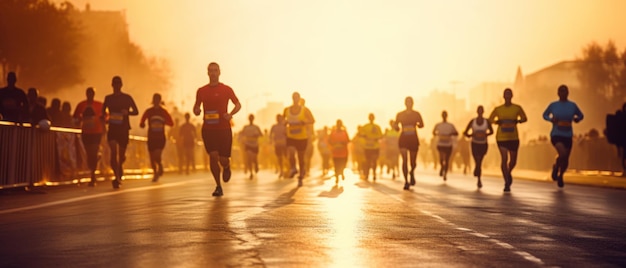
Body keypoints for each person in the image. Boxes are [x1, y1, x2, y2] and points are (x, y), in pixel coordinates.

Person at [193, 62, 242, 197]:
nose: (213, 73)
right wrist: (197, 110)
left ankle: (227, 166)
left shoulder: (226, 89)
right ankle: (218, 186)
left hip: (224, 129)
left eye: (215, 70)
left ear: (219, 72)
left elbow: (238, 104)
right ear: (207, 73)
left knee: (223, 159)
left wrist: (231, 114)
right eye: (210, 70)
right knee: (213, 156)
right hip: (208, 129)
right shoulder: (201, 91)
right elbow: (196, 108)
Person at [542, 85, 584, 188]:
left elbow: (581, 115)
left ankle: (560, 174)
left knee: (565, 159)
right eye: (561, 92)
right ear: (558, 93)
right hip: (556, 134)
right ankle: (556, 168)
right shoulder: (553, 105)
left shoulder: (572, 105)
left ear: (568, 93)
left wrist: (577, 119)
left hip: (568, 135)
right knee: (563, 154)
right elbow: (544, 115)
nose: (563, 94)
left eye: (565, 92)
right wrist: (551, 119)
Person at [102, 76, 139, 189]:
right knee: (113, 152)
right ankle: (116, 177)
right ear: (112, 85)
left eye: (118, 84)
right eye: (115, 84)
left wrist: (127, 112)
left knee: (121, 155)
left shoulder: (127, 98)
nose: (117, 86)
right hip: (113, 128)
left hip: (123, 129)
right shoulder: (108, 98)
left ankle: (120, 166)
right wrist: (105, 117)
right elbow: (103, 112)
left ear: (121, 85)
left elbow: (136, 111)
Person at [488, 88, 527, 192]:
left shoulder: (517, 108)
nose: (508, 96)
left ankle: (508, 172)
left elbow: (524, 118)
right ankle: (506, 182)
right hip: (501, 138)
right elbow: (490, 119)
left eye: (509, 94)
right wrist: (497, 122)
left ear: (512, 96)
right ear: (503, 96)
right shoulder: (498, 109)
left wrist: (518, 121)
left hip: (513, 137)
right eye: (506, 94)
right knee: (504, 159)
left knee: (513, 161)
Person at [73, 87, 105, 186]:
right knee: (89, 153)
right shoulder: (81, 105)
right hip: (86, 132)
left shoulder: (99, 105)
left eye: (92, 93)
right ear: (86, 94)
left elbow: (105, 117)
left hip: (97, 132)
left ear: (94, 94)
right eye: (88, 93)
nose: (90, 95)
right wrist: (78, 120)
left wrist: (103, 121)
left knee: (93, 151)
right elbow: (75, 117)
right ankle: (95, 161)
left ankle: (93, 176)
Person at [140, 93, 174, 182]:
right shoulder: (149, 111)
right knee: (151, 158)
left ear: (159, 101)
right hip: (151, 137)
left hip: (160, 137)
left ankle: (160, 164)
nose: (156, 102)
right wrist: (142, 124)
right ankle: (155, 173)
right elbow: (142, 122)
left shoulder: (163, 112)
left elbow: (171, 123)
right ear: (153, 100)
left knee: (157, 156)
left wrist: (162, 122)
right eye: (154, 100)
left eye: (157, 100)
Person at [284, 92, 315, 187]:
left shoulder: (305, 110)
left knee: (301, 158)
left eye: (297, 97)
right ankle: (293, 168)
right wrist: (285, 123)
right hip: (291, 136)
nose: (295, 99)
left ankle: (301, 175)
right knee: (291, 151)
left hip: (302, 137)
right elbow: (283, 120)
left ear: (299, 98)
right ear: (292, 98)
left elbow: (312, 120)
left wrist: (304, 122)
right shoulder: (287, 109)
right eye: (294, 97)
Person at [393, 96, 425, 190]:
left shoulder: (416, 114)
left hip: (413, 138)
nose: (409, 103)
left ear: (413, 103)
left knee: (413, 162)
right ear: (404, 103)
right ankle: (406, 181)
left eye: (410, 102)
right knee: (404, 160)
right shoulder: (400, 114)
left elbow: (422, 125)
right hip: (403, 138)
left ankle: (411, 172)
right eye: (407, 102)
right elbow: (396, 125)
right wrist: (396, 127)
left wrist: (418, 125)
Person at [462, 105, 494, 188]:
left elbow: (492, 132)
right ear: (477, 112)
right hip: (474, 143)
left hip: (483, 144)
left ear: (483, 112)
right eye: (479, 110)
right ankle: (479, 180)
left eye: (481, 110)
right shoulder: (473, 121)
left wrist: (485, 134)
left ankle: (477, 171)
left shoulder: (486, 122)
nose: (480, 112)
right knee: (478, 160)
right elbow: (465, 132)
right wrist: (471, 135)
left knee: (480, 161)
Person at [432, 110, 458, 181]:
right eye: (443, 115)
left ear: (446, 116)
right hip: (440, 144)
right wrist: (438, 135)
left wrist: (450, 134)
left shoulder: (451, 125)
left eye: (445, 115)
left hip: (448, 145)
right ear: (442, 116)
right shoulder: (438, 125)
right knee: (441, 159)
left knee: (447, 160)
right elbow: (433, 132)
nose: (444, 116)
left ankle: (445, 174)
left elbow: (456, 133)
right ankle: (442, 167)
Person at [240, 114, 263, 180]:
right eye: (250, 118)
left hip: (255, 144)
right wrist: (241, 140)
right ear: (248, 119)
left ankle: (256, 164)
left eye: (252, 118)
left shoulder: (256, 127)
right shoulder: (245, 127)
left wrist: (256, 135)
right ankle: (251, 173)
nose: (251, 119)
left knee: (254, 158)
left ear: (253, 119)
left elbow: (261, 134)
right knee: (249, 157)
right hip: (248, 144)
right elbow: (241, 134)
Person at [361, 113, 383, 181]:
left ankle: (374, 174)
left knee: (374, 161)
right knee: (367, 161)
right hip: (367, 147)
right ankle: (367, 174)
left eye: (372, 117)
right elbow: (361, 134)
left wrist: (376, 138)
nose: (371, 118)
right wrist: (365, 136)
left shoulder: (377, 127)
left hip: (375, 147)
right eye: (370, 117)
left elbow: (381, 136)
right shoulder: (365, 126)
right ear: (368, 118)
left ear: (374, 118)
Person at [328, 119, 350, 184]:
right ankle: (337, 178)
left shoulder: (344, 132)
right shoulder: (333, 132)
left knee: (343, 165)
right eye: (338, 124)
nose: (339, 125)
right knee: (336, 166)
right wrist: (334, 143)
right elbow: (329, 141)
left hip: (343, 153)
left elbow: (348, 140)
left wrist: (343, 143)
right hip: (335, 153)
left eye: (340, 124)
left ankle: (342, 172)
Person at [269, 114, 288, 178]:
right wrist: (271, 140)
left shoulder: (284, 126)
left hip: (284, 144)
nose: (279, 119)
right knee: (279, 158)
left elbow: (287, 134)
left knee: (286, 157)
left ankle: (287, 169)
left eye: (280, 118)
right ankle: (281, 170)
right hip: (277, 144)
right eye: (278, 118)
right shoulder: (274, 126)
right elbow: (270, 134)